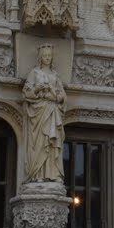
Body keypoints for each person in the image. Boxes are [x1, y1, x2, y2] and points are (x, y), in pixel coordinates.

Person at [22, 44, 66, 184]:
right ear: (40, 58)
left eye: (49, 56)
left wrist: (56, 97)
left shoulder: (55, 75)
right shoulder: (34, 73)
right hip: (39, 112)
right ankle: (38, 174)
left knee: (52, 143)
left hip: (52, 111)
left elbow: (62, 95)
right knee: (40, 143)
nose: (47, 58)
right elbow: (26, 93)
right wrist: (36, 89)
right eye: (45, 56)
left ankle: (53, 174)